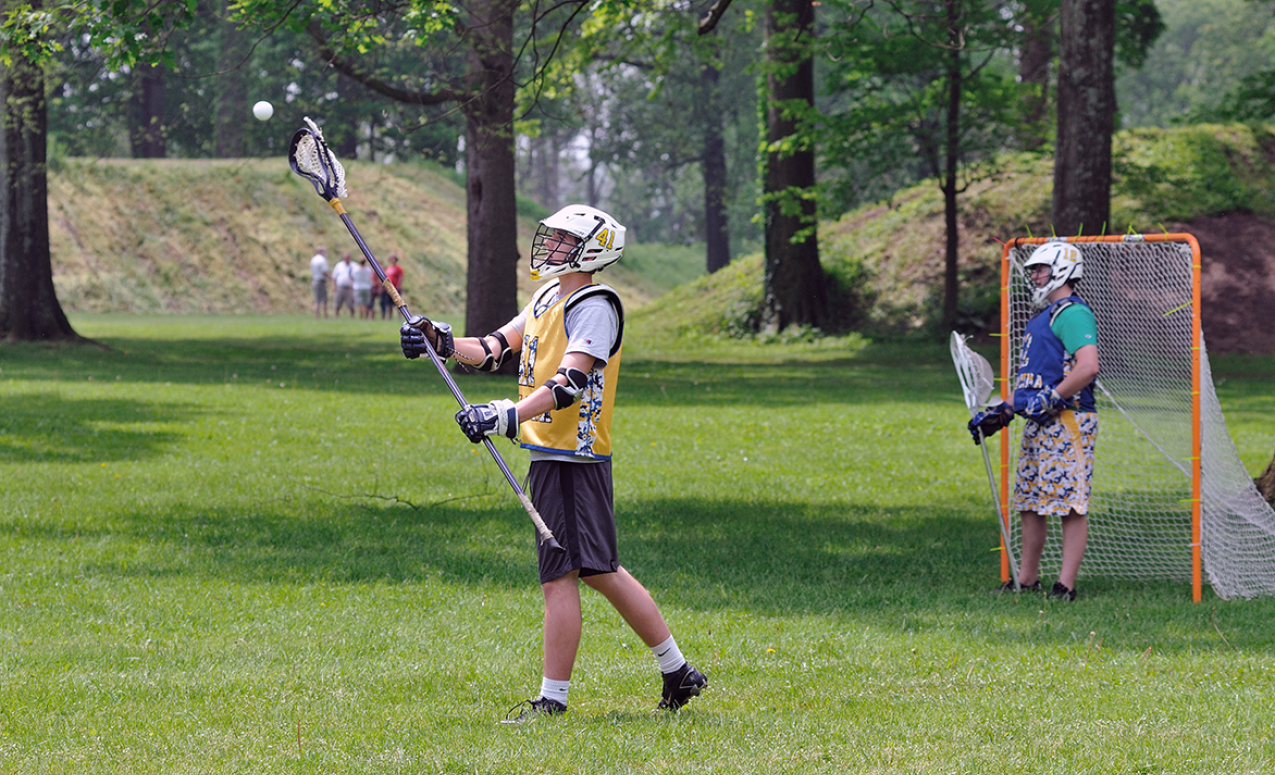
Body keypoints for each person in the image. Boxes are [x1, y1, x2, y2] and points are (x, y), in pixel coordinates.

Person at [399, 204, 707, 721]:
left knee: (561, 576)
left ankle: (553, 701)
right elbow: (496, 347)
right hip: (550, 455)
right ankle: (677, 671)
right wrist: (441, 340)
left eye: (564, 240)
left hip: (572, 458)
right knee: (598, 570)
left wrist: (505, 416)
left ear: (592, 248)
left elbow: (569, 384)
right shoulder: (547, 295)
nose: (552, 246)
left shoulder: (595, 305)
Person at [968, 241, 1099, 602]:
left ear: (1064, 270)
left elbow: (1088, 367)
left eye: (1041, 269)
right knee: (1030, 500)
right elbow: (1033, 380)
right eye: (1034, 270)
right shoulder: (1042, 318)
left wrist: (1054, 397)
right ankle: (1025, 580)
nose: (1035, 275)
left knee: (1069, 503)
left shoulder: (1072, 314)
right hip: (1039, 420)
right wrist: (1003, 412)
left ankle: (1065, 586)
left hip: (1068, 419)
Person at [331, 252, 357, 318]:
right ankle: (336, 316)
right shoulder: (339, 265)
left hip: (350, 288)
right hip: (340, 287)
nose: (346, 259)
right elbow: (334, 276)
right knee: (337, 303)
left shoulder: (354, 265)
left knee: (351, 304)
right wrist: (333, 285)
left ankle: (352, 316)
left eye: (347, 258)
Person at [309, 246, 330, 319]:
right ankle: (326, 316)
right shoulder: (322, 260)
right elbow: (324, 271)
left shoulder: (313, 259)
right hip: (321, 281)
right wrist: (329, 276)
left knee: (317, 300)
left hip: (315, 280)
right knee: (324, 300)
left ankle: (317, 317)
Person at [382, 253, 404, 319]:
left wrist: (398, 285)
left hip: (396, 287)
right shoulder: (389, 268)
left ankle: (399, 316)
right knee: (389, 304)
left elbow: (401, 277)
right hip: (389, 288)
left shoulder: (398, 268)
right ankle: (389, 316)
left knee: (398, 303)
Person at [352, 255, 375, 320]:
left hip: (358, 287)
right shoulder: (368, 269)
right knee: (366, 303)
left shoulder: (356, 269)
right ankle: (366, 316)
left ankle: (361, 316)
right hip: (367, 287)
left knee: (360, 304)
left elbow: (353, 277)